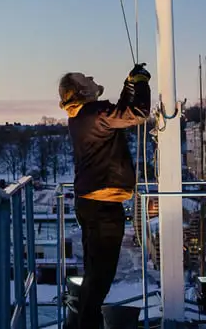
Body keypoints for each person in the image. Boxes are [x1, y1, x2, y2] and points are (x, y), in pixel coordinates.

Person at [60, 64, 153, 329]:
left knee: (94, 272)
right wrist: (142, 83)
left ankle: (82, 323)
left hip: (91, 202)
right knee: (100, 278)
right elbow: (136, 113)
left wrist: (129, 84)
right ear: (81, 91)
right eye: (85, 78)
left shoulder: (81, 116)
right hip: (102, 205)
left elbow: (120, 113)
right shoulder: (95, 113)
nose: (91, 77)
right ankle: (87, 326)